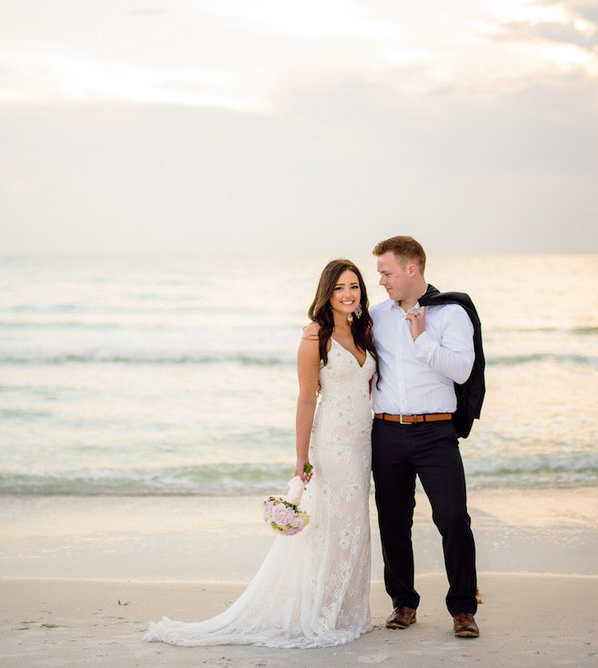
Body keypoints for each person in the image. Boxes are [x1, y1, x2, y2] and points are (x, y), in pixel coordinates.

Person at [144, 259, 379, 648]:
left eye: (354, 286)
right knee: (330, 526)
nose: (348, 294)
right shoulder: (314, 335)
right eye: (339, 287)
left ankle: (347, 610)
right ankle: (321, 612)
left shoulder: (363, 330)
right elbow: (306, 400)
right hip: (332, 443)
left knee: (355, 525)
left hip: (362, 443)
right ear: (327, 292)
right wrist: (301, 459)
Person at [369, 235, 481, 638]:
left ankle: (463, 609)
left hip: (436, 432)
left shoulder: (450, 314)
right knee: (393, 521)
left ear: (411, 269)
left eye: (387, 272)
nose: (381, 280)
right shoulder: (377, 315)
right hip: (385, 432)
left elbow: (462, 371)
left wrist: (422, 338)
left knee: (453, 518)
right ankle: (403, 602)